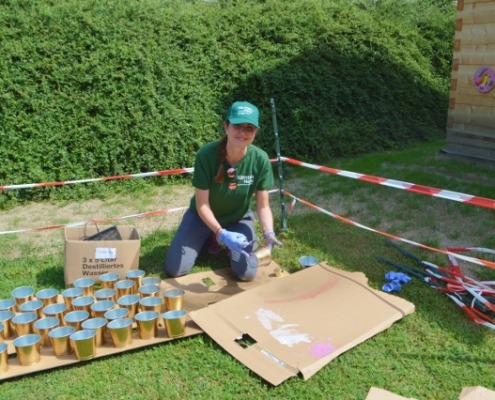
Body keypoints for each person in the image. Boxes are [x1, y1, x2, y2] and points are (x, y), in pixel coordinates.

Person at [164, 100, 282, 281]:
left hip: (237, 219)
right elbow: (202, 205)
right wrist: (221, 233)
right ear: (226, 126)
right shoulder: (206, 155)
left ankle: (218, 242)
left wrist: (269, 233)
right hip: (202, 218)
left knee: (247, 273)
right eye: (237, 126)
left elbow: (263, 206)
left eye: (249, 128)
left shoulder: (260, 159)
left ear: (255, 132)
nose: (242, 132)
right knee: (175, 269)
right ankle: (213, 238)